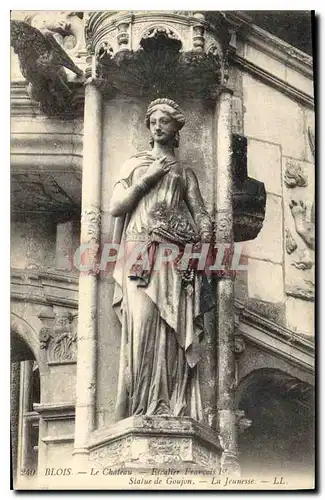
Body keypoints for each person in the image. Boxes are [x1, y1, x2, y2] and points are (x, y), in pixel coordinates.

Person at [110, 98, 213, 421]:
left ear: (176, 128)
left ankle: (169, 403)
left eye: (165, 120)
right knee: (141, 328)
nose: (158, 125)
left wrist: (200, 246)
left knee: (171, 332)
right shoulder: (135, 164)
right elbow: (116, 206)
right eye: (153, 120)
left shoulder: (184, 173)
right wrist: (148, 177)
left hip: (173, 257)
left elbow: (201, 215)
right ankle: (140, 406)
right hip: (139, 252)